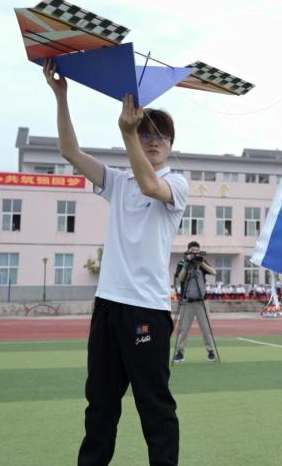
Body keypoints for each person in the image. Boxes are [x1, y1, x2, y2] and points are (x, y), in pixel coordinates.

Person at [43, 59, 189, 466]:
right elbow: (69, 152)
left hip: (147, 309)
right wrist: (61, 96)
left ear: (171, 144)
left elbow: (150, 184)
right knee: (100, 404)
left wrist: (127, 133)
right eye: (146, 133)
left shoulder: (176, 183)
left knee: (154, 407)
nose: (154, 141)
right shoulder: (117, 181)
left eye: (161, 136)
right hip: (108, 306)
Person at [172, 241, 217, 363]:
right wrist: (187, 264)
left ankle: (211, 351)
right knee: (183, 329)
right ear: (188, 251)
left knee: (206, 328)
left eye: (197, 250)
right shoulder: (182, 263)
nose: (195, 252)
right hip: (187, 301)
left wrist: (202, 264)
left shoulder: (202, 262)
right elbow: (180, 278)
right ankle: (179, 352)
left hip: (201, 302)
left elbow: (214, 272)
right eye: (193, 250)